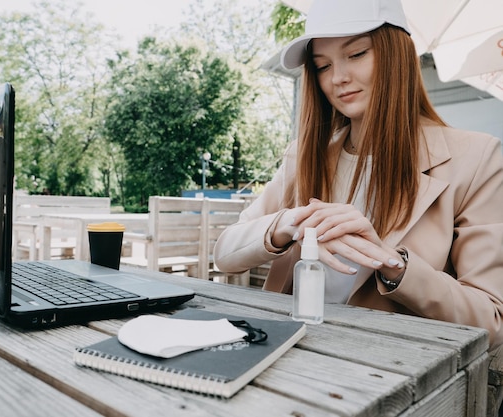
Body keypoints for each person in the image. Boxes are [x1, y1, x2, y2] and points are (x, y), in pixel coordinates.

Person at [213, 0, 503, 349]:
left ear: (396, 54)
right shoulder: (302, 156)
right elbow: (225, 253)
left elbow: (491, 320)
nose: (338, 78)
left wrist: (391, 263)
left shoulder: (476, 158)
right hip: (286, 352)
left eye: (357, 54)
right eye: (322, 66)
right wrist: (287, 224)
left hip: (388, 367)